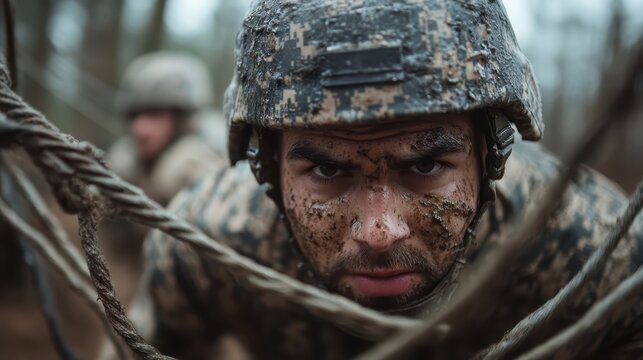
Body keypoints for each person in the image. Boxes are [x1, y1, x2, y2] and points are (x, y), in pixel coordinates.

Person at [103, 1, 643, 358]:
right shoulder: (208, 242)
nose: (379, 232)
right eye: (327, 170)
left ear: (488, 159)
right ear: (267, 170)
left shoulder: (596, 248)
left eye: (426, 166)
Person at [107, 51, 226, 207]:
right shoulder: (124, 161)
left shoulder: (204, 156)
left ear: (182, 119)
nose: (140, 129)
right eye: (135, 115)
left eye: (154, 114)